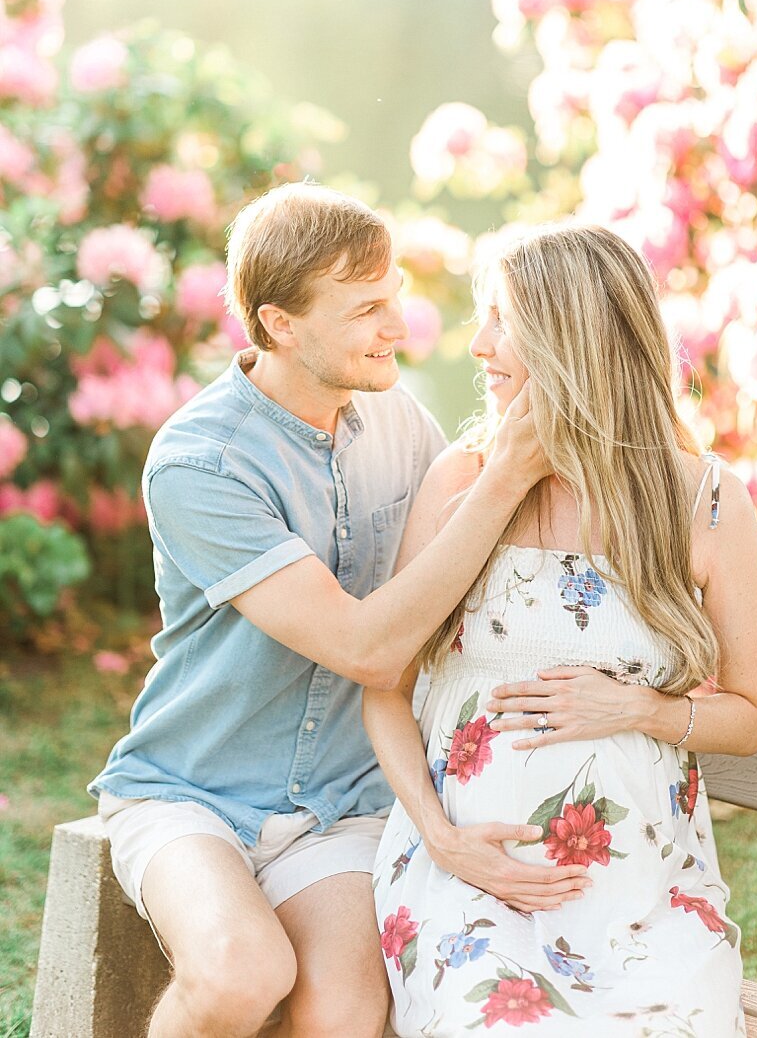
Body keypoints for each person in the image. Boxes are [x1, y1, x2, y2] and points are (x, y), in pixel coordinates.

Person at [88, 183, 551, 1038]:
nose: (400, 329)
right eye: (368, 308)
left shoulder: (397, 420)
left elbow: (528, 521)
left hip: (343, 800)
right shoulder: (200, 464)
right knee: (240, 973)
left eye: (397, 299)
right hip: (193, 793)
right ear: (280, 323)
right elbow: (366, 650)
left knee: (345, 1015)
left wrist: (693, 582)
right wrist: (506, 477)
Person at [365, 222, 757, 1038]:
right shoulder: (465, 480)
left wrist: (641, 709)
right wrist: (443, 842)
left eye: (501, 321)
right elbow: (385, 688)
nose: (478, 345)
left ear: (570, 337)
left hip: (642, 901)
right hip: (467, 884)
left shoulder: (705, 501)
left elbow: (751, 716)